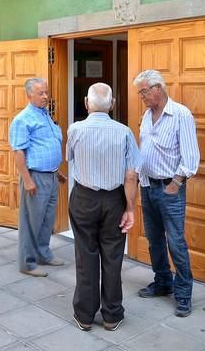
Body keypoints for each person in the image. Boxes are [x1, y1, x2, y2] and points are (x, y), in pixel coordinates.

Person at [66, 83, 139, 332]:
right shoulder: (125, 132)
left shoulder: (75, 130)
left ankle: (85, 316)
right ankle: (112, 315)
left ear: (86, 104)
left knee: (85, 255)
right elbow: (131, 176)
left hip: (84, 198)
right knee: (113, 256)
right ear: (114, 103)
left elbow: (71, 159)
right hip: (114, 199)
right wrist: (130, 208)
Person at [132, 69, 200, 317]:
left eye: (143, 91)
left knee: (176, 242)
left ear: (158, 88)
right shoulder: (147, 115)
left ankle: (183, 294)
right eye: (140, 92)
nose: (141, 96)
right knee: (154, 240)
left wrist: (176, 183)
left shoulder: (180, 114)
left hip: (170, 189)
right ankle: (163, 282)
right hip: (148, 186)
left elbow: (191, 156)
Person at [9, 77, 67, 278]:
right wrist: (27, 180)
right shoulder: (23, 119)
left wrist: (57, 171)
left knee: (47, 219)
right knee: (31, 221)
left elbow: (46, 145)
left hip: (50, 176)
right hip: (35, 177)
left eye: (46, 92)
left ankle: (44, 254)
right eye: (41, 93)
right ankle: (28, 262)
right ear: (29, 95)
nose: (45, 97)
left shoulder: (45, 116)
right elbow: (19, 153)